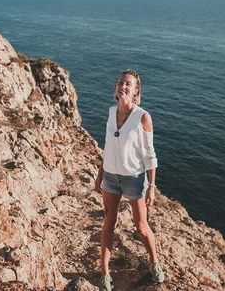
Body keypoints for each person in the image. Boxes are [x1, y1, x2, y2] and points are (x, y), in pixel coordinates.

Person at [94, 69, 165, 291]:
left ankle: (154, 263)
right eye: (120, 82)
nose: (123, 86)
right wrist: (100, 173)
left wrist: (151, 187)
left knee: (141, 226)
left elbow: (150, 155)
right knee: (108, 223)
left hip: (134, 179)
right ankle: (105, 274)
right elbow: (108, 146)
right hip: (111, 177)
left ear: (136, 91)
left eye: (128, 84)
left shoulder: (142, 117)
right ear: (116, 87)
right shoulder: (111, 111)